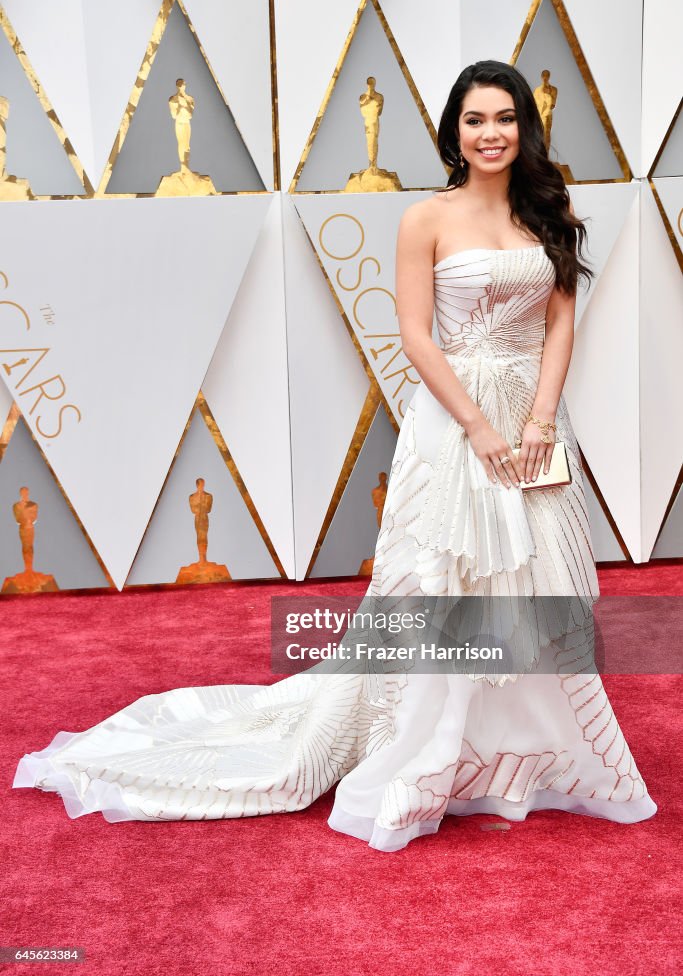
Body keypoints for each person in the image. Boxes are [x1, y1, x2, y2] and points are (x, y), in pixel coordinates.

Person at [13, 61, 657, 852]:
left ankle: (523, 760)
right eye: (473, 120)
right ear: (452, 133)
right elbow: (417, 336)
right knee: (443, 590)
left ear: (525, 127)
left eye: (504, 119)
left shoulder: (547, 215)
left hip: (533, 422)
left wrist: (537, 419)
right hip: (454, 427)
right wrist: (478, 428)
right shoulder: (425, 218)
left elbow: (559, 326)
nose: (490, 134)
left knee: (532, 589)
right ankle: (427, 759)